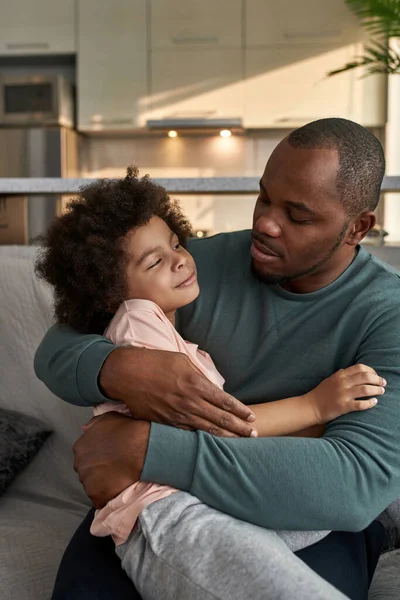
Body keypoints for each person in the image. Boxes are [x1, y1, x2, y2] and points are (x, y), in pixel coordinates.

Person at [34, 118, 398, 599]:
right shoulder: (192, 264)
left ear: (357, 228)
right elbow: (56, 349)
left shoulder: (387, 314)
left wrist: (145, 449)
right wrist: (117, 368)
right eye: (264, 197)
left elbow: (352, 484)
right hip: (163, 498)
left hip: (301, 512)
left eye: (298, 215)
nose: (266, 223)